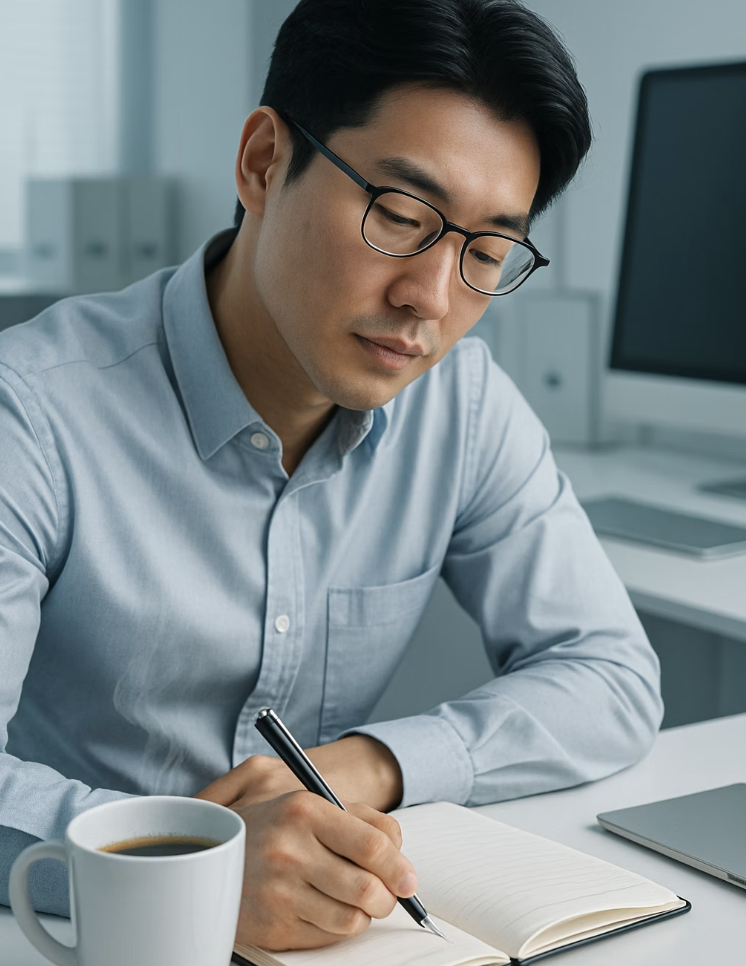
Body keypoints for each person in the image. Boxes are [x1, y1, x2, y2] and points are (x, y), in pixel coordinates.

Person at [0, 0, 663, 952]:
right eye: (400, 216)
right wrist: (194, 870)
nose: (429, 299)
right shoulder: (31, 409)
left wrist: (368, 766)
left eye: (485, 252)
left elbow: (610, 676)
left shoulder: (462, 404)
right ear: (265, 162)